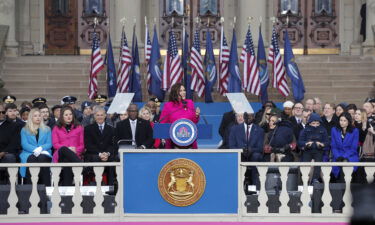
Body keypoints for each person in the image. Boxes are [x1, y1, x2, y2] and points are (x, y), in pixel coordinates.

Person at [229, 112, 264, 191]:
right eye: (246, 116)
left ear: (254, 117)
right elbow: (232, 146)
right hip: (239, 154)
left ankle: (254, 188)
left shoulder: (259, 130)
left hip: (253, 156)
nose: (248, 118)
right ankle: (237, 188)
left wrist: (251, 150)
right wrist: (241, 150)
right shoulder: (234, 129)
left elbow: (260, 148)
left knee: (256, 156)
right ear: (244, 117)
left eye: (251, 116)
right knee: (235, 157)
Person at [159, 83, 200, 149]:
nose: (184, 92)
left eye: (184, 90)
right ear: (175, 93)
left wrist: (196, 115)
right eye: (180, 91)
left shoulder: (189, 103)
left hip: (190, 142)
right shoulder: (168, 105)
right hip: (173, 142)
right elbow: (162, 123)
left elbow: (194, 122)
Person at [52, 106, 84, 186]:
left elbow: (82, 145)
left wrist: (76, 150)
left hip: (74, 155)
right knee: (63, 149)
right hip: (60, 155)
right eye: (66, 115)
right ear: (62, 116)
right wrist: (68, 149)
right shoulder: (56, 128)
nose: (69, 116)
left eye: (70, 114)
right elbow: (55, 144)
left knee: (67, 159)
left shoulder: (79, 127)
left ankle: (67, 187)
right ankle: (82, 165)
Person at [19, 108, 52, 186]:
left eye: (39, 116)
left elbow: (49, 143)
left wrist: (41, 148)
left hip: (44, 152)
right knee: (31, 158)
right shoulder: (24, 130)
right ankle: (29, 187)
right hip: (28, 153)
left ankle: (45, 187)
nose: (38, 117)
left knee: (42, 158)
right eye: (35, 116)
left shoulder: (47, 129)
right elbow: (24, 144)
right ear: (31, 118)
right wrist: (35, 149)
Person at [84, 106, 116, 185]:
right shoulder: (88, 129)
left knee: (113, 160)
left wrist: (107, 153)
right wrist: (100, 154)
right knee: (95, 158)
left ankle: (111, 186)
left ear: (105, 116)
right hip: (93, 154)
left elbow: (113, 145)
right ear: (94, 116)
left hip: (107, 154)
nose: (100, 117)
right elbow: (88, 145)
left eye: (101, 115)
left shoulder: (112, 129)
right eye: (97, 115)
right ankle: (97, 184)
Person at [298, 113, 329, 183]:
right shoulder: (305, 130)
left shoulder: (323, 130)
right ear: (309, 123)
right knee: (306, 165)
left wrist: (322, 144)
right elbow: (299, 142)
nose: (315, 125)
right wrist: (306, 144)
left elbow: (327, 142)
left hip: (319, 150)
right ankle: (305, 179)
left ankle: (315, 179)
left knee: (318, 164)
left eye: (317, 123)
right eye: (313, 123)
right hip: (307, 150)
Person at [331, 112, 359, 182]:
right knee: (339, 164)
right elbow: (333, 146)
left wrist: (344, 157)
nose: (342, 122)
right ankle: (341, 188)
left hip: (350, 155)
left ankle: (346, 187)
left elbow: (353, 148)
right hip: (337, 155)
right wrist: (338, 156)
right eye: (341, 120)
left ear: (348, 121)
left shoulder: (355, 131)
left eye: (344, 121)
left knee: (345, 163)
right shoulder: (334, 130)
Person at [0, 103, 20, 184]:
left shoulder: (14, 125)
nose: (1, 114)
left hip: (6, 154)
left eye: (3, 112)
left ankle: (10, 186)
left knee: (10, 157)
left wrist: (3, 152)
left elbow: (15, 143)